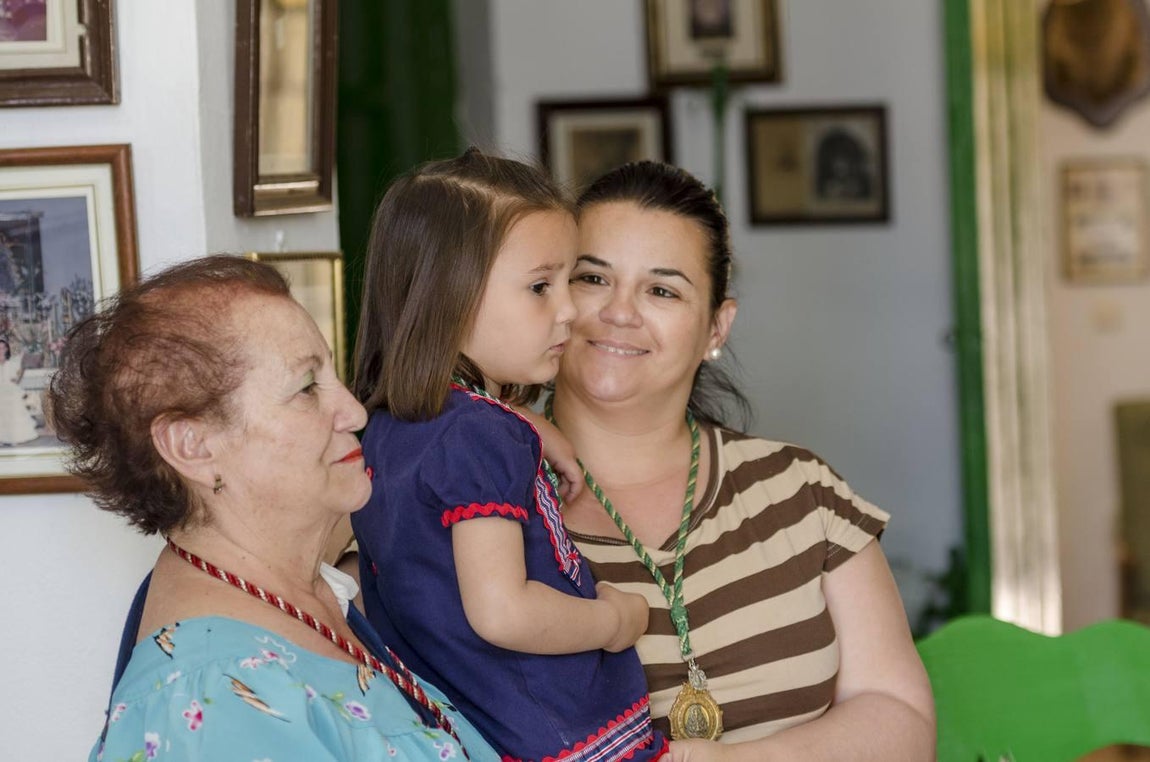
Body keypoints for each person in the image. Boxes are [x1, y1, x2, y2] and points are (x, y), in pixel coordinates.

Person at [544, 161, 936, 759]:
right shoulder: (482, 492)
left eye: (662, 290)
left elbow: (899, 716)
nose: (619, 311)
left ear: (715, 329)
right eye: (592, 279)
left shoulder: (801, 490)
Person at [51, 256, 500, 761]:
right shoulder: (213, 705)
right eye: (307, 387)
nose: (353, 410)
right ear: (193, 445)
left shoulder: (293, 585)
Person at [351, 148, 670, 761]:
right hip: (558, 736)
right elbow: (502, 610)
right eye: (540, 287)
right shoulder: (480, 437)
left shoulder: (383, 428)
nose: (572, 310)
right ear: (451, 295)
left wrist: (524, 421)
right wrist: (614, 621)